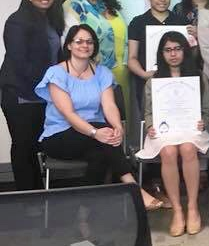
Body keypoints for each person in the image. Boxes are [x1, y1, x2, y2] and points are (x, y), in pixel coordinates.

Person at [35, 24, 162, 209]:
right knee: (104, 139)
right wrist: (96, 132)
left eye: (89, 42)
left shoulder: (102, 72)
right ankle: (134, 188)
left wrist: (118, 127)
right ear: (69, 45)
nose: (84, 45)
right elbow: (69, 114)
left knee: (100, 155)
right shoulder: (56, 73)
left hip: (95, 137)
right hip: (60, 136)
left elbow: (109, 105)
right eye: (79, 41)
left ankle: (84, 214)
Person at [136, 31, 209, 237]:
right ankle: (177, 210)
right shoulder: (154, 81)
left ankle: (193, 207)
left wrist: (202, 121)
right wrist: (150, 126)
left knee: (187, 149)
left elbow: (205, 110)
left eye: (178, 49)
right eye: (168, 50)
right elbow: (149, 112)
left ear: (185, 51)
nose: (173, 54)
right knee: (168, 152)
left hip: (191, 129)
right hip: (164, 131)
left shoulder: (199, 76)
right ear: (162, 54)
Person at [0, 0, 64, 190]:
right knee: (23, 145)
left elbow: (57, 57)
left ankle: (38, 191)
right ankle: (27, 196)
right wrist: (50, 86)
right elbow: (19, 61)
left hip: (43, 94)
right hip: (20, 93)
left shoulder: (51, 20)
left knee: (36, 145)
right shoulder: (17, 20)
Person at [61, 0, 130, 114]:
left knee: (121, 125)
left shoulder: (108, 5)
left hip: (122, 77)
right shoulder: (72, 6)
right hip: (92, 78)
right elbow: (70, 45)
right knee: (100, 126)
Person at [127, 0, 190, 108]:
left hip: (179, 81)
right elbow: (132, 58)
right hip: (147, 83)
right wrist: (145, 75)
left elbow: (189, 54)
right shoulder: (137, 23)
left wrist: (195, 36)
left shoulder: (181, 21)